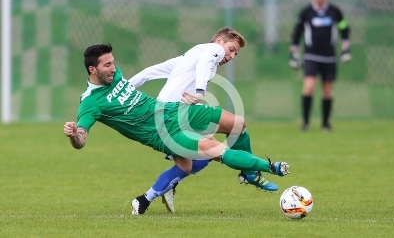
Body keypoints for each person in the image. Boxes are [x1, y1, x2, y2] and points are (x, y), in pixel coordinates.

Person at [63, 43, 290, 215]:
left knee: (237, 124)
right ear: (92, 69)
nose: (113, 68)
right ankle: (271, 166)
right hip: (164, 133)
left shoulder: (115, 75)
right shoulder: (90, 103)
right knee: (215, 150)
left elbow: (140, 79)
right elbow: (81, 140)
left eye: (113, 62)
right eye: (107, 65)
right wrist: (75, 135)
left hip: (172, 110)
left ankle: (247, 173)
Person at [129, 27, 278, 214]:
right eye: (231, 49)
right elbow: (206, 61)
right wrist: (200, 91)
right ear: (219, 41)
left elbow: (149, 72)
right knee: (237, 124)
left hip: (164, 117)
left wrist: (125, 90)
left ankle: (143, 200)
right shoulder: (211, 49)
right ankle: (250, 173)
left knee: (192, 162)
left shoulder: (188, 57)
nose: (232, 56)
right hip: (176, 112)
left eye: (236, 54)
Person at [289, 0, 351, 131]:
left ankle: (325, 124)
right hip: (311, 54)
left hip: (329, 55)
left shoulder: (335, 11)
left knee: (327, 89)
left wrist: (346, 47)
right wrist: (293, 53)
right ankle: (305, 123)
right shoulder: (306, 12)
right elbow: (297, 32)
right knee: (309, 86)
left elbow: (343, 27)